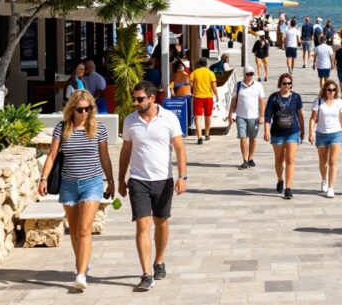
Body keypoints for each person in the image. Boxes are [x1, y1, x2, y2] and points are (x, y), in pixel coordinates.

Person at [37, 91, 113, 292]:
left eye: (89, 109)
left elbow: (104, 156)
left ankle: (80, 274)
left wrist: (111, 181)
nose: (85, 113)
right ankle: (82, 263)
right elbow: (52, 156)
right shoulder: (62, 129)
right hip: (69, 185)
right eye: (80, 109)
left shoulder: (99, 129)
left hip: (92, 183)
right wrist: (43, 178)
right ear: (72, 109)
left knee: (84, 228)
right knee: (74, 230)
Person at [117, 81, 188, 292]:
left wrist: (182, 176)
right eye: (134, 98)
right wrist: (120, 178)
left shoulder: (169, 118)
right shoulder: (130, 121)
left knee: (162, 223)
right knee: (142, 225)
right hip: (138, 180)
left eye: (140, 99)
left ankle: (159, 261)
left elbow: (179, 148)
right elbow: (125, 151)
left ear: (151, 98)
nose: (135, 102)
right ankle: (146, 273)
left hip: (163, 180)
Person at [263, 73, 304, 199]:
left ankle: (288, 188)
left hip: (293, 132)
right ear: (280, 84)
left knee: (290, 159)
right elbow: (268, 115)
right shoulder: (273, 98)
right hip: (277, 133)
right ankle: (280, 179)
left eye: (289, 83)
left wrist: (303, 130)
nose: (287, 86)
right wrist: (266, 130)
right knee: (279, 160)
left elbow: (300, 114)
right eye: (285, 83)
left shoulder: (296, 97)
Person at [309, 78, 342, 198]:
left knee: (333, 161)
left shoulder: (339, 102)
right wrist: (311, 133)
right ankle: (324, 179)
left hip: (336, 134)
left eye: (334, 90)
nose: (332, 92)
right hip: (321, 134)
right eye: (329, 90)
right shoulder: (318, 102)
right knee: (323, 162)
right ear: (324, 90)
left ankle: (331, 188)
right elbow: (312, 119)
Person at [228, 66, 266, 170]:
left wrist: (262, 115)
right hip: (241, 116)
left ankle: (251, 158)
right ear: (244, 74)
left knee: (253, 138)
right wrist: (230, 113)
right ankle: (244, 159)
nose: (249, 76)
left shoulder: (258, 86)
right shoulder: (238, 85)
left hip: (254, 116)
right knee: (243, 138)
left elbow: (262, 101)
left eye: (251, 74)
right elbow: (234, 100)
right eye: (247, 74)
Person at [189, 58, 218, 145]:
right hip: (208, 97)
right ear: (206, 64)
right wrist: (216, 95)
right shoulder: (210, 73)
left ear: (199, 64)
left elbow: (190, 83)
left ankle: (199, 137)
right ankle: (207, 134)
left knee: (198, 118)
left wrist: (195, 88)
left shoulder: (194, 72)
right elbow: (214, 86)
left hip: (198, 97)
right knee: (208, 116)